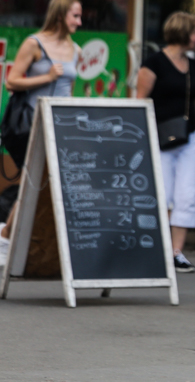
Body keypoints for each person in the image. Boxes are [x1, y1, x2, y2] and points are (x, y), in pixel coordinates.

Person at [0, 0, 82, 267]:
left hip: (61, 124)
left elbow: (68, 89)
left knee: (38, 181)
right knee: (32, 179)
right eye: (76, 16)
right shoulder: (35, 43)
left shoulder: (75, 48)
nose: (80, 22)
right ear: (61, 15)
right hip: (33, 123)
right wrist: (46, 77)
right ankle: (7, 238)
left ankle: (11, 237)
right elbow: (11, 81)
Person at [136, 12, 195, 273]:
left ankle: (176, 252)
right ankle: (157, 248)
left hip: (188, 137)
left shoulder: (193, 66)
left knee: (187, 195)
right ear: (182, 33)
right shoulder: (153, 63)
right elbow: (140, 101)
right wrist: (140, 137)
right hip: (158, 137)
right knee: (161, 194)